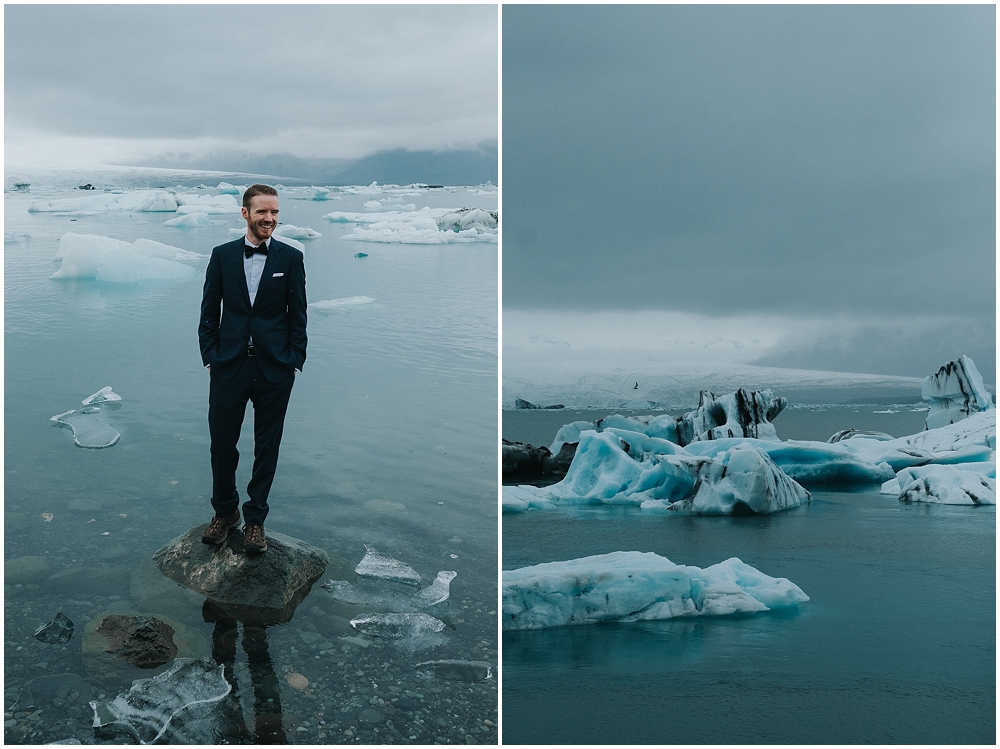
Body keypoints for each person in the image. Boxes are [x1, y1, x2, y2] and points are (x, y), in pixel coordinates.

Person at [198, 184, 307, 553]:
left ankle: (255, 520)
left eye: (275, 212)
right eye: (262, 212)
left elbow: (299, 316)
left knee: (267, 446)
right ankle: (225, 513)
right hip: (228, 366)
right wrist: (211, 356)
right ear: (245, 213)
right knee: (222, 445)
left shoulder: (290, 259)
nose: (270, 219)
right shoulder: (223, 255)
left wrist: (295, 361)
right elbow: (209, 312)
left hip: (274, 369)